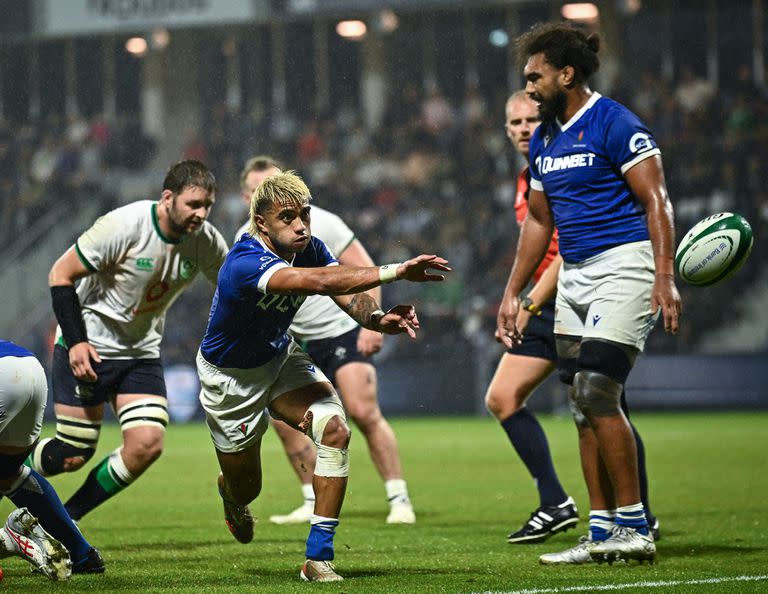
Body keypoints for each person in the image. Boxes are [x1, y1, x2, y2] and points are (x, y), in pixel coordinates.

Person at [197, 170, 448, 582]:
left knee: (335, 430)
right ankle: (230, 494)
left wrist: (378, 319)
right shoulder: (244, 262)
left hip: (280, 360)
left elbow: (344, 292)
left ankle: (318, 558)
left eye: (304, 215)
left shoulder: (307, 246)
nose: (300, 226)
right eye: (287, 218)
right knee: (247, 488)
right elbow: (315, 281)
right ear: (262, 223)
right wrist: (396, 271)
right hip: (231, 380)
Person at [498, 23, 681, 565]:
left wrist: (664, 275)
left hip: (624, 264)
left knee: (599, 390)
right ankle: (601, 531)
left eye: (535, 77)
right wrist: (514, 292)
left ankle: (634, 527)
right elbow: (537, 220)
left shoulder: (615, 122)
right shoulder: (547, 138)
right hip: (574, 272)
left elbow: (657, 200)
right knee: (581, 404)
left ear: (566, 73)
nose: (528, 88)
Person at [27, 160, 228, 522]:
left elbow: (233, 288)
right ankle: (10, 458)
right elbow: (61, 273)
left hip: (140, 353)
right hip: (88, 345)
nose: (202, 213)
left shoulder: (207, 243)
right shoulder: (124, 225)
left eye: (207, 205)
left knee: (147, 445)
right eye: (193, 204)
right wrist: (76, 342)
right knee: (71, 454)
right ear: (168, 198)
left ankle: (63, 521)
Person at [235, 156, 416, 526]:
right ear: (248, 200)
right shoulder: (244, 244)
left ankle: (399, 497)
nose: (268, 193)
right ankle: (309, 497)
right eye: (257, 189)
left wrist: (373, 322)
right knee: (287, 423)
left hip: (341, 329)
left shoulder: (320, 226)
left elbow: (354, 269)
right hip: (293, 341)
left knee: (363, 412)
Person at [0, 339, 103, 579]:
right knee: (8, 475)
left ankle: (12, 537)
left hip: (4, 376)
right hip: (31, 369)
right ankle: (83, 555)